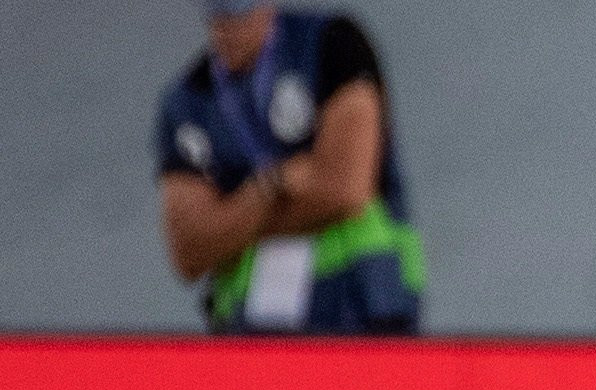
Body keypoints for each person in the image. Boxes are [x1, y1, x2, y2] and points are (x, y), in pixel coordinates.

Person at [154, 1, 423, 334]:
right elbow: (190, 250)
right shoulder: (187, 101)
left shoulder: (333, 42)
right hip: (255, 328)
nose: (229, 28)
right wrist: (270, 187)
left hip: (362, 308)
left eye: (242, 14)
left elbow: (345, 189)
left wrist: (233, 219)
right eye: (219, 16)